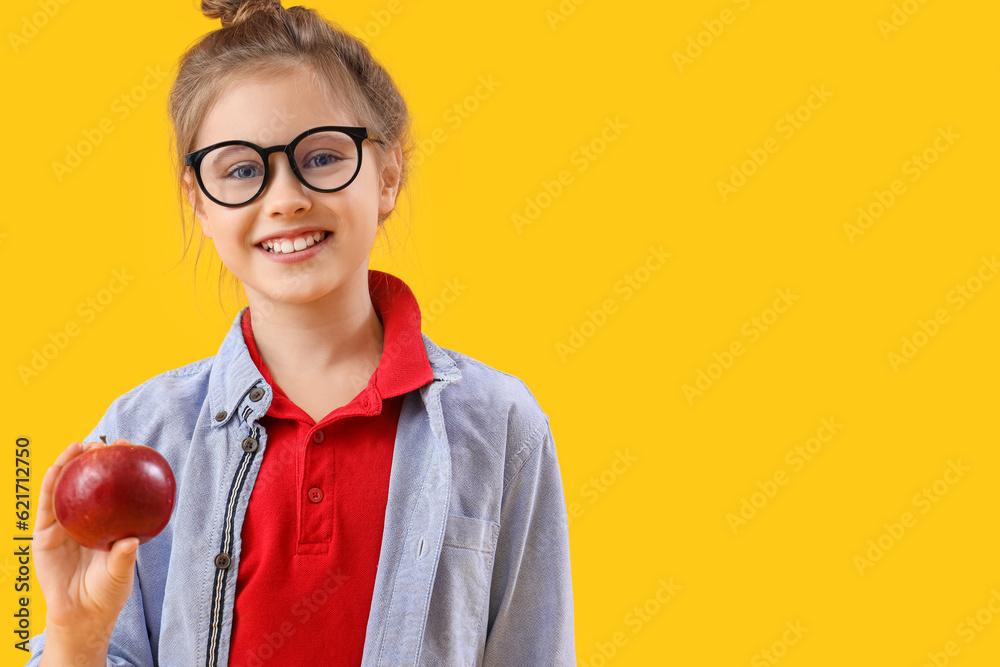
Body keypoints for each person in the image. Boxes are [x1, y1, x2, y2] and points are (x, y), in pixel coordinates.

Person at [25, 1, 576, 665]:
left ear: (388, 174)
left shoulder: (500, 425)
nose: (285, 197)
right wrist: (75, 635)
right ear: (198, 201)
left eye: (320, 157)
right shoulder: (145, 431)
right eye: (241, 170)